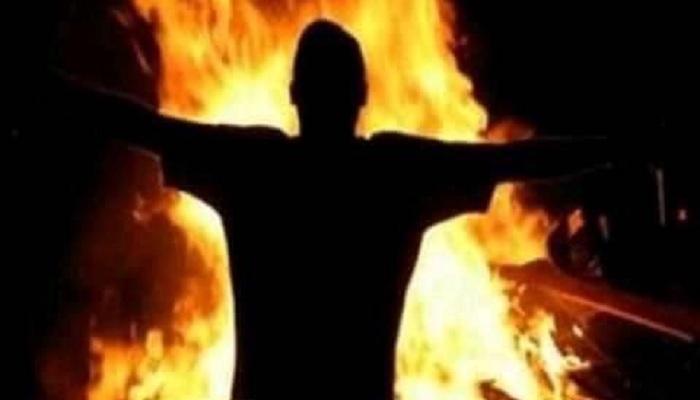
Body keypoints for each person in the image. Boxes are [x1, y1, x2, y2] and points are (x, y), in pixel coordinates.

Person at [36, 19, 616, 400]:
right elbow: (518, 159)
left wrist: (47, 88)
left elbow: (141, 125)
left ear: (293, 94)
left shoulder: (253, 165)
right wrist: (620, 147)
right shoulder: (396, 173)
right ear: (363, 95)